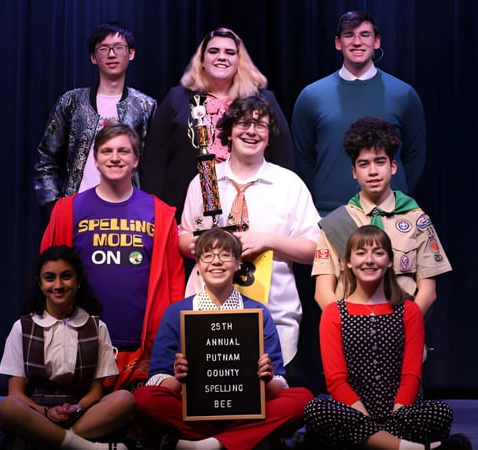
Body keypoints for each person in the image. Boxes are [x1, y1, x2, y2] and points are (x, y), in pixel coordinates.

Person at [177, 95, 320, 377]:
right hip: (208, 313)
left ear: (269, 136)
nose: (252, 131)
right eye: (243, 123)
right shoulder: (207, 180)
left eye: (260, 125)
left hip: (273, 316)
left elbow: (316, 249)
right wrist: (191, 243)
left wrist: (268, 241)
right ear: (229, 132)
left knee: (270, 393)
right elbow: (184, 236)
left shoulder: (287, 184)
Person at [133, 228, 314, 450]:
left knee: (302, 399)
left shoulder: (258, 312)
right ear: (198, 264)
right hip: (192, 407)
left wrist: (266, 380)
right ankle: (239, 439)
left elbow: (278, 380)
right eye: (207, 256)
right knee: (143, 398)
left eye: (225, 255)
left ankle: (210, 444)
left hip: (245, 409)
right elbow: (157, 377)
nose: (216, 262)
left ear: (238, 263)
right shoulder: (176, 312)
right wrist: (179, 379)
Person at [41, 123, 184, 392]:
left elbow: (173, 283)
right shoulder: (67, 210)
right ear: (95, 160)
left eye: (123, 151)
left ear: (136, 160)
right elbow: (47, 276)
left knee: (138, 410)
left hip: (139, 349)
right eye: (106, 151)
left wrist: (170, 340)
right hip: (79, 343)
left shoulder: (160, 213)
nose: (115, 158)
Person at [304, 226, 470, 450]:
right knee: (316, 410)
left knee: (440, 411)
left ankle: (376, 444)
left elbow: (411, 374)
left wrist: (396, 413)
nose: (369, 260)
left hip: (398, 413)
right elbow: (335, 379)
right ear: (348, 263)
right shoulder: (334, 313)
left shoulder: (409, 310)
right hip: (353, 413)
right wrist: (364, 419)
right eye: (360, 253)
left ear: (390, 261)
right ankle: (414, 448)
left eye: (378, 253)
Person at [141, 27, 294, 221]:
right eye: (213, 51)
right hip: (186, 205)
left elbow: (282, 155)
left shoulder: (263, 100)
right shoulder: (176, 98)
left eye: (230, 52)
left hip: (252, 201)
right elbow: (155, 160)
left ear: (239, 61)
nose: (222, 57)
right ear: (201, 60)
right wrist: (155, 211)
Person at [0, 245, 136, 450]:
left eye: (66, 276)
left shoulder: (97, 327)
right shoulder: (22, 327)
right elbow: (15, 393)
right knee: (8, 407)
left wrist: (75, 408)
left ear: (78, 281)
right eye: (50, 278)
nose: (58, 285)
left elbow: (95, 392)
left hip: (79, 412)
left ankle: (52, 441)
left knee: (124, 399)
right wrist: (46, 412)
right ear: (40, 284)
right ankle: (86, 447)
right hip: (36, 413)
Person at [291, 10, 426, 216]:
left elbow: (415, 156)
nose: (357, 42)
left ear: (376, 41)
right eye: (349, 35)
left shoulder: (403, 94)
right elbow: (302, 157)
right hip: (331, 212)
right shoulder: (312, 96)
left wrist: (394, 197)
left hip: (389, 212)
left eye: (364, 35)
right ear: (338, 43)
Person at [312, 117, 451, 316]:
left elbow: (428, 292)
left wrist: (404, 327)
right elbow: (323, 292)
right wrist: (350, 326)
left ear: (393, 167)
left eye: (380, 162)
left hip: (403, 327)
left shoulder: (416, 219)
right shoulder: (336, 223)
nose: (373, 172)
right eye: (364, 164)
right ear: (354, 172)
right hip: (351, 327)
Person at [35, 22, 156, 216]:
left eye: (118, 48)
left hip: (129, 215)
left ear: (131, 53)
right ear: (93, 57)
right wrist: (55, 207)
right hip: (77, 212)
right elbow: (46, 159)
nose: (111, 54)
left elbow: (153, 165)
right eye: (103, 49)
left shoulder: (145, 106)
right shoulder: (71, 102)